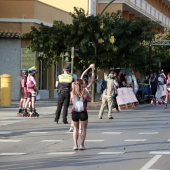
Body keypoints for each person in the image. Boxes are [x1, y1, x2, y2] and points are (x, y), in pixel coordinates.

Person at [69, 64, 95, 132]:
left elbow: (82, 75)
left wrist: (88, 68)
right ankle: (80, 128)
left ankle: (72, 126)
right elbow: (92, 79)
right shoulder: (86, 89)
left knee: (74, 113)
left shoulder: (75, 89)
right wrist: (92, 69)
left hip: (75, 108)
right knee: (82, 117)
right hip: (83, 108)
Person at [71, 79, 90, 150]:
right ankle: (82, 145)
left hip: (74, 112)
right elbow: (89, 97)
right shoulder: (85, 92)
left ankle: (75, 145)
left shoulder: (72, 92)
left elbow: (71, 100)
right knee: (83, 129)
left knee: (75, 129)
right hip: (83, 112)